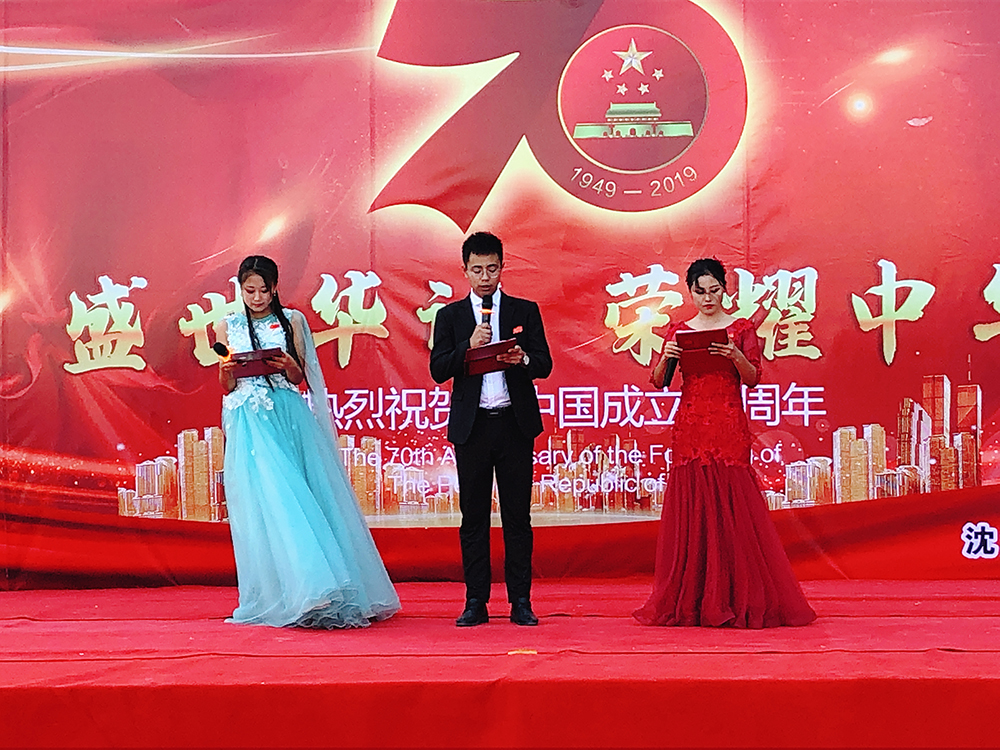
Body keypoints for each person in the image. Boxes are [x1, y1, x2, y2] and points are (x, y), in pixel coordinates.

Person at [214, 255, 400, 628]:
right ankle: (290, 593)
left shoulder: (293, 320)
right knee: (268, 504)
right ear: (240, 289)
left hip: (287, 416)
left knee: (299, 497)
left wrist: (287, 365)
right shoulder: (226, 325)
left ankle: (322, 589)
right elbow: (227, 386)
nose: (256, 298)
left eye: (263, 290)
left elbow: (300, 377)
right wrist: (226, 370)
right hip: (249, 421)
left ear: (274, 288)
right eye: (249, 291)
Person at [634, 258, 815, 628]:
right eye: (700, 291)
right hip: (690, 425)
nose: (707, 298)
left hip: (728, 423)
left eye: (714, 290)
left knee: (733, 508)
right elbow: (659, 381)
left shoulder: (740, 328)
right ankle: (693, 599)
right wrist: (667, 357)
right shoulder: (679, 331)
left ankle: (737, 595)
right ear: (690, 293)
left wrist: (735, 355)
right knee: (693, 509)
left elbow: (753, 379)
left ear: (725, 290)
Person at [430, 232, 553, 626]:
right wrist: (468, 345)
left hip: (514, 425)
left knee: (518, 517)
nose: (485, 277)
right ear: (464, 270)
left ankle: (521, 601)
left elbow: (545, 364)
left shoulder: (524, 310)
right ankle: (475, 601)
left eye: (492, 268)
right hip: (474, 427)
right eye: (477, 269)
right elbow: (438, 370)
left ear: (503, 267)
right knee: (474, 518)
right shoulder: (450, 317)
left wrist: (523, 359)